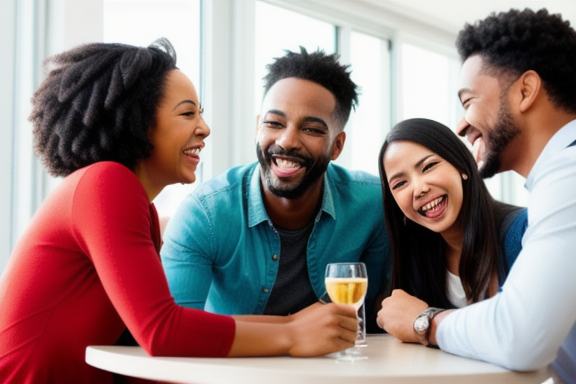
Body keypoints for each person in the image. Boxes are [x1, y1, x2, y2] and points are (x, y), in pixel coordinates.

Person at [0, 39, 359, 384]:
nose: (204, 128)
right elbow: (161, 331)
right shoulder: (105, 184)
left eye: (200, 113)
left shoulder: (135, 206)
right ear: (139, 121)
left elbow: (138, 344)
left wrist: (296, 326)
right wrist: (293, 335)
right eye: (187, 113)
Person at [377, 8, 576, 382]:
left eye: (468, 102)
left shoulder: (569, 176)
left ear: (525, 91)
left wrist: (425, 322)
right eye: (399, 183)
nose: (462, 124)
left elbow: (521, 336)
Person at [161, 47, 390, 333]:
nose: (287, 140)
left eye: (311, 129)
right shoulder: (204, 214)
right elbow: (178, 329)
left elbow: (372, 317)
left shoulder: (373, 205)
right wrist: (293, 329)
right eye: (274, 123)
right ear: (258, 126)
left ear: (337, 145)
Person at [376, 118, 527, 314]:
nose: (419, 189)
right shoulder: (416, 255)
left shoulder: (523, 233)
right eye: (400, 184)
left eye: (428, 167)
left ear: (461, 166)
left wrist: (427, 321)